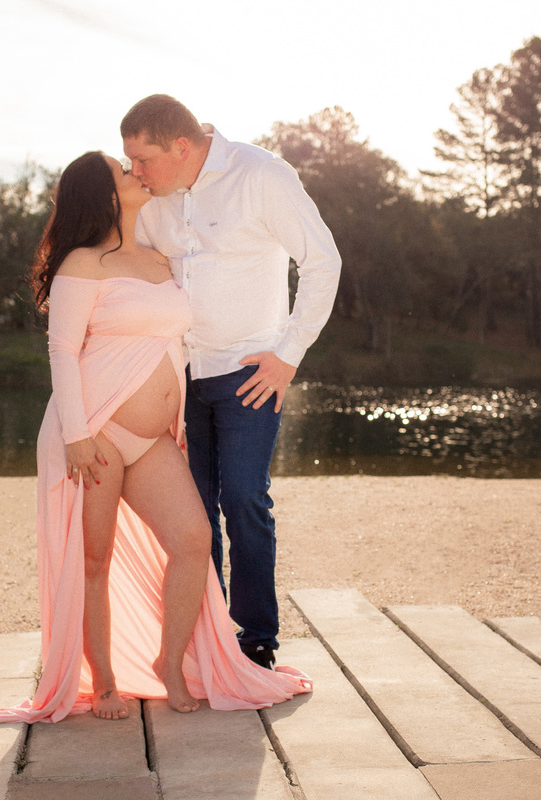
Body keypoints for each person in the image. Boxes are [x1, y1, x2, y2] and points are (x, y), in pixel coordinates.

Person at [0, 152, 310, 726]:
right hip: (94, 432)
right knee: (95, 559)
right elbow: (61, 351)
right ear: (103, 195)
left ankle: (169, 663)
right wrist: (77, 436)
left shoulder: (158, 257)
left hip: (151, 440)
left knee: (193, 539)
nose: (136, 173)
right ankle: (101, 682)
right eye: (123, 171)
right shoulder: (83, 262)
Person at [122, 95, 341, 669]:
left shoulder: (260, 174)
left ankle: (255, 636)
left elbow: (323, 261)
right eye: (129, 163)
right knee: (194, 513)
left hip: (250, 373)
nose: (136, 173)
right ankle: (208, 636)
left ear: (182, 146)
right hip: (177, 379)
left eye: (143, 160)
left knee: (243, 497)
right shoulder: (152, 203)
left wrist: (288, 355)